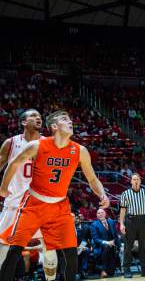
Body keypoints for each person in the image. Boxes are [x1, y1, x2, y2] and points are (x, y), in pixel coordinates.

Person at [0, 110, 109, 281]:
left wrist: (102, 193)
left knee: (64, 252)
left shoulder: (78, 150)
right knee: (11, 249)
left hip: (58, 206)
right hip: (28, 203)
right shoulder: (29, 144)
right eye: (65, 119)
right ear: (54, 126)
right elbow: (12, 165)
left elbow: (93, 178)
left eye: (70, 119)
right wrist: (3, 188)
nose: (70, 121)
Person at [0, 109, 56, 280]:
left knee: (50, 247)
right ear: (24, 122)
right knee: (3, 247)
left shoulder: (50, 143)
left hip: (41, 204)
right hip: (14, 204)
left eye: (40, 116)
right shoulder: (11, 143)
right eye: (33, 116)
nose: (38, 118)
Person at [119, 173, 145, 278]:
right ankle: (126, 269)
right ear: (131, 181)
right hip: (130, 221)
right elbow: (122, 210)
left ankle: (144, 270)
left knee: (143, 246)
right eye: (134, 179)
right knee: (128, 246)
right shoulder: (125, 193)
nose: (135, 181)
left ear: (140, 181)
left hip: (143, 220)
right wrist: (121, 223)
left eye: (137, 179)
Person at [91, 208, 120, 278]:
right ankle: (102, 269)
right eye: (98, 213)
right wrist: (107, 242)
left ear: (105, 214)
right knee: (107, 246)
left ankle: (108, 269)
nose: (100, 214)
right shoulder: (94, 225)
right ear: (96, 215)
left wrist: (119, 246)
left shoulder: (111, 222)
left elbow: (115, 236)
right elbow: (96, 239)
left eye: (102, 212)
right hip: (100, 246)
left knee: (111, 273)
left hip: (113, 246)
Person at [74, 213, 91, 279]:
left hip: (83, 245)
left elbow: (88, 238)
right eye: (75, 218)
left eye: (77, 218)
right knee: (77, 252)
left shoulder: (86, 227)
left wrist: (87, 246)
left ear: (80, 220)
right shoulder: (71, 227)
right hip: (73, 247)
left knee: (86, 250)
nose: (76, 220)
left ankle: (83, 271)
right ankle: (77, 271)